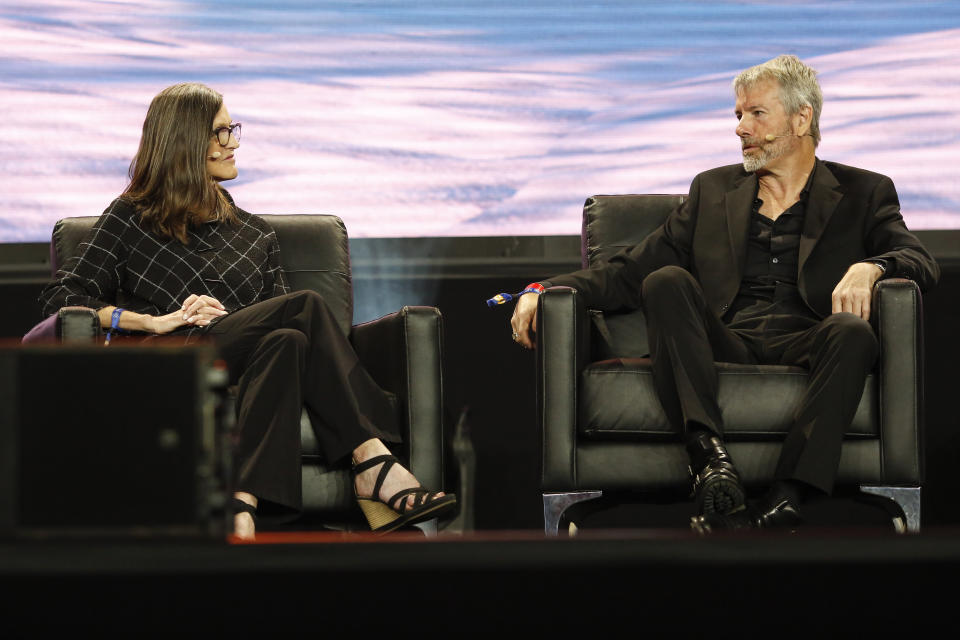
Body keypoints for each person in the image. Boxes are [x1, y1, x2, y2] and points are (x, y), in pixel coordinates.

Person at [509, 55, 939, 533]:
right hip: (726, 338)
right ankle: (710, 461)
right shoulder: (713, 190)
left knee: (852, 332)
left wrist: (872, 266)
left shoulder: (865, 191)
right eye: (738, 115)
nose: (741, 128)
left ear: (802, 118)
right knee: (665, 281)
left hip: (809, 341)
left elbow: (920, 260)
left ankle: (787, 498)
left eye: (756, 113)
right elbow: (628, 272)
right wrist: (542, 288)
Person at [36, 82, 456, 539]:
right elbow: (64, 300)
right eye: (221, 132)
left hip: (245, 364)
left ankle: (244, 507)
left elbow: (284, 333)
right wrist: (152, 320)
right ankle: (373, 461)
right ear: (186, 139)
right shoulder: (130, 217)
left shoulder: (255, 235)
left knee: (289, 339)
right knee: (306, 308)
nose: (233, 143)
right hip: (174, 359)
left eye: (232, 130)